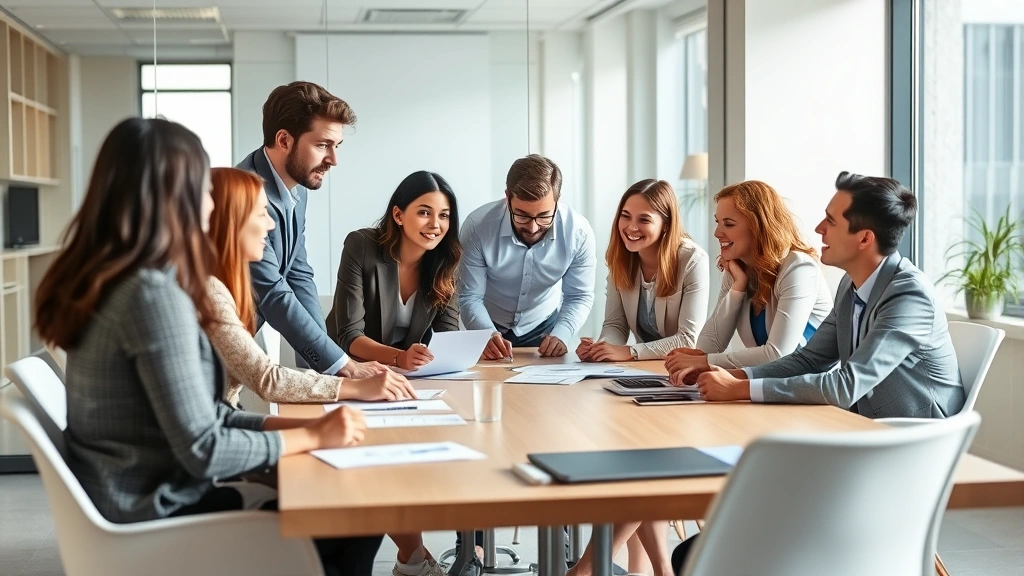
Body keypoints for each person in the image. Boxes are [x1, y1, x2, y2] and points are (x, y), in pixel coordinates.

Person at [34, 117, 382, 576]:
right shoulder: (152, 295)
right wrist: (313, 436)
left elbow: (207, 418)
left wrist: (298, 430)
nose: (209, 202)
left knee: (342, 495)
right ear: (173, 197)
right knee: (358, 509)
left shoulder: (118, 282)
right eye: (203, 188)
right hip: (157, 512)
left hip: (138, 495)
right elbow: (204, 448)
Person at [689, 171, 965, 415]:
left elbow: (847, 385)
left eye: (831, 222)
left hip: (915, 437)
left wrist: (742, 389)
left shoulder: (908, 295)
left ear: (865, 238)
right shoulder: (850, 284)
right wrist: (734, 377)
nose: (819, 229)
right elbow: (810, 360)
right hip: (862, 422)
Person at [204, 166, 417, 408]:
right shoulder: (210, 293)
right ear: (230, 221)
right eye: (261, 213)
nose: (272, 226)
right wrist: (353, 386)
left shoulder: (228, 288)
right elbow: (267, 380)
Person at [237, 80, 382, 380]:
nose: (334, 160)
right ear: (284, 140)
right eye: (322, 145)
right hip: (204, 348)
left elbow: (297, 273)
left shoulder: (296, 188)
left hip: (237, 343)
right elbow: (272, 293)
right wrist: (342, 365)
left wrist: (326, 367)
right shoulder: (245, 195)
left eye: (336, 146)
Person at [664, 180, 833, 383]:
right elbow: (710, 345)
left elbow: (778, 354)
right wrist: (738, 286)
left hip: (811, 396)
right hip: (769, 389)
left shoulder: (799, 268)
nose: (717, 233)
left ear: (758, 227)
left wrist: (706, 362)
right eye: (718, 222)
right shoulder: (738, 270)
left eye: (729, 224)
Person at [460, 154, 596, 359]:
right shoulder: (478, 227)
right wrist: (486, 334)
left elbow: (579, 296)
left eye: (543, 216)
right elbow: (470, 296)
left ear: (557, 200)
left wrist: (561, 335)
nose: (533, 227)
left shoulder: (579, 233)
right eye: (522, 215)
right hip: (487, 324)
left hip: (545, 328)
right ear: (507, 198)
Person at [327, 171, 461, 370]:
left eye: (443, 215)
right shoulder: (361, 246)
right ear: (398, 215)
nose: (435, 224)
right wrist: (400, 357)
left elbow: (448, 336)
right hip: (344, 364)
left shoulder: (445, 261)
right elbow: (350, 335)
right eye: (424, 212)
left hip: (403, 371)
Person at [577, 179, 710, 363]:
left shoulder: (692, 260)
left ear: (666, 224)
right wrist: (601, 348)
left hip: (683, 369)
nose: (631, 227)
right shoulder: (621, 258)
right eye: (625, 216)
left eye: (644, 219)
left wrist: (631, 352)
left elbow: (687, 339)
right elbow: (616, 325)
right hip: (644, 368)